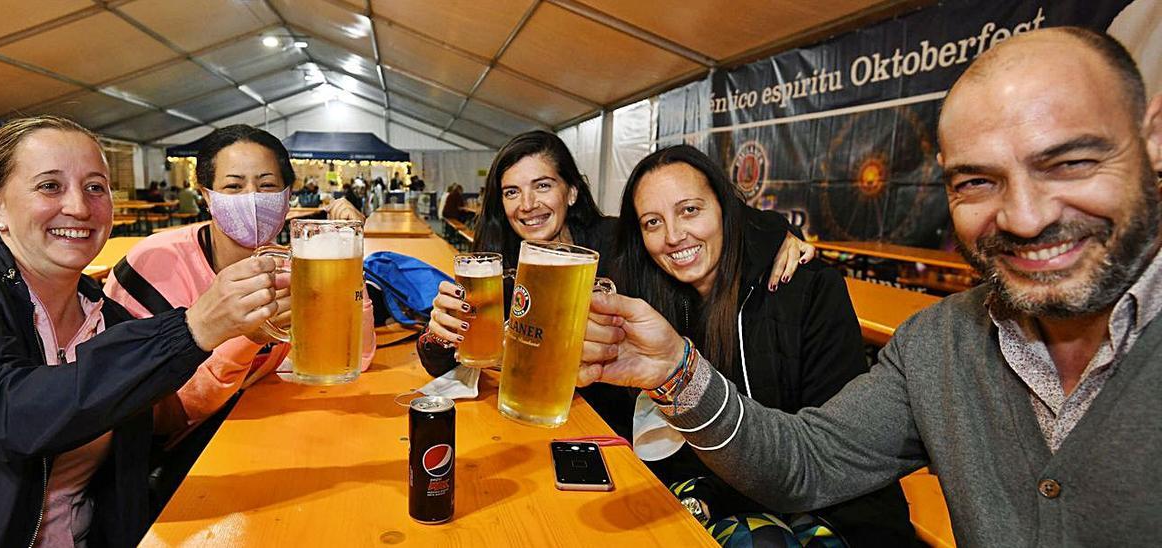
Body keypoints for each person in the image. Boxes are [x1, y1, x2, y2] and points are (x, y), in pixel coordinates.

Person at [579, 28, 1162, 545]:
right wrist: (675, 371)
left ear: (1152, 138)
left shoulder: (806, 290)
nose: (1026, 217)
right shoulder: (937, 346)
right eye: (978, 181)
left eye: (1069, 164)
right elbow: (806, 460)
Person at [0, 115, 283, 546]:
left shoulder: (110, 320)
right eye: (50, 186)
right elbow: (2, 413)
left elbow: (150, 435)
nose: (78, 206)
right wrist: (193, 328)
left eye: (95, 187)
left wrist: (242, 340)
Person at [417, 130, 815, 439]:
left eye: (542, 185)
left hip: (616, 426)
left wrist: (777, 233)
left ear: (571, 191)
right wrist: (441, 334)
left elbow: (693, 228)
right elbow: (456, 359)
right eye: (511, 192)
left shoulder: (619, 243)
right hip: (530, 418)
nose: (527, 204)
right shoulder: (500, 262)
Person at [612, 145, 914, 546]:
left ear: (724, 208)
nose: (672, 236)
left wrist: (775, 232)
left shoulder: (806, 290)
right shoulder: (657, 302)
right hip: (715, 491)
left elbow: (829, 454)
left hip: (831, 504)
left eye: (690, 210)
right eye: (653, 222)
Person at [105, 125, 376, 446]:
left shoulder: (298, 266)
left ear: (288, 194)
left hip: (266, 431)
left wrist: (347, 249)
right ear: (206, 195)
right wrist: (245, 336)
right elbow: (153, 414)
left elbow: (354, 358)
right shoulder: (153, 267)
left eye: (268, 185)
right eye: (234, 186)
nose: (252, 198)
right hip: (179, 454)